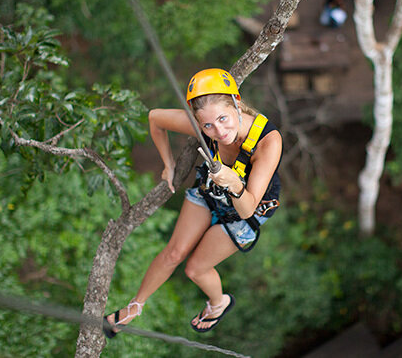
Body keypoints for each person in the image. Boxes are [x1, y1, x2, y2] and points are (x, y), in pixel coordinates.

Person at [104, 68, 282, 335]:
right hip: (212, 192)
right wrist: (168, 164)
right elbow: (155, 118)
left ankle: (219, 303)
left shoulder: (268, 141)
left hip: (247, 207)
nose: (219, 132)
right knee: (174, 252)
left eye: (223, 118)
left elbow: (246, 209)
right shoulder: (203, 126)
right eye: (208, 125)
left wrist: (233, 183)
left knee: (195, 269)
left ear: (236, 103)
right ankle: (134, 307)